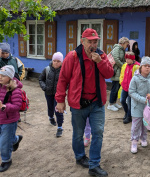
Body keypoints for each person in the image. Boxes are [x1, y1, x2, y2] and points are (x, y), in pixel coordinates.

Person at [55, 28, 114, 177]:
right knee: (78, 134)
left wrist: (100, 62)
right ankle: (80, 157)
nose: (93, 44)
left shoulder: (101, 55)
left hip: (97, 103)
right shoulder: (72, 56)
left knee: (98, 133)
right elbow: (63, 79)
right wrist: (60, 100)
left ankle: (94, 165)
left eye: (95, 41)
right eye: (90, 41)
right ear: (82, 41)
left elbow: (109, 74)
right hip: (78, 103)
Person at [128, 56, 150, 154]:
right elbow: (131, 92)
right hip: (137, 106)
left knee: (145, 123)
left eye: (149, 66)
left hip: (148, 106)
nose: (147, 68)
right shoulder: (135, 78)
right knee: (136, 125)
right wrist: (142, 99)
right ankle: (134, 141)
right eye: (145, 66)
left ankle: (143, 139)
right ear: (141, 67)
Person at [0, 65, 23, 172]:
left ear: (9, 77)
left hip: (9, 120)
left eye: (3, 75)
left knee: (4, 143)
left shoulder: (15, 90)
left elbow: (17, 106)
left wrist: (4, 107)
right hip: (0, 119)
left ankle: (6, 160)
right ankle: (16, 139)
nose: (0, 77)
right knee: (6, 138)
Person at [39, 52, 64, 137]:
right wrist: (44, 87)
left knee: (58, 110)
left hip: (59, 95)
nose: (56, 63)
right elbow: (41, 79)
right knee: (50, 107)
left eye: (58, 61)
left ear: (61, 62)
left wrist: (64, 90)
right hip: (48, 93)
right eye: (54, 61)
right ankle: (51, 117)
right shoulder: (47, 69)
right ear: (52, 61)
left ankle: (60, 127)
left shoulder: (64, 71)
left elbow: (67, 82)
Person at [107, 37, 130, 112]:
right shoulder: (117, 48)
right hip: (116, 71)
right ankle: (110, 104)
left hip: (119, 71)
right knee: (114, 88)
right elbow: (116, 59)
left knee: (117, 88)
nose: (127, 46)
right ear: (123, 43)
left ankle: (114, 102)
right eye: (127, 44)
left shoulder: (121, 49)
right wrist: (123, 65)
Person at [119, 51, 140, 124]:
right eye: (126, 59)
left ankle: (129, 116)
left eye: (128, 59)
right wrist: (121, 82)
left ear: (132, 59)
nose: (127, 60)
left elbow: (138, 78)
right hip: (124, 87)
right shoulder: (124, 65)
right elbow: (122, 75)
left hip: (132, 89)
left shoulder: (137, 67)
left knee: (130, 103)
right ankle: (126, 112)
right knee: (122, 100)